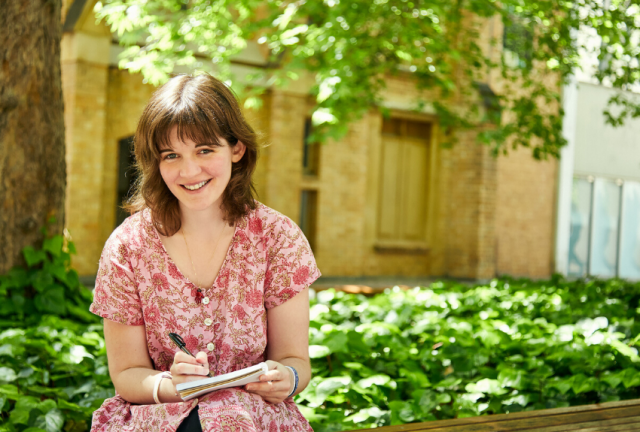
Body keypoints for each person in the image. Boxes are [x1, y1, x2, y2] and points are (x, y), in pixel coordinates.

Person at [89, 73, 320, 432]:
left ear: (237, 149)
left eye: (205, 150)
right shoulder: (127, 246)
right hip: (160, 418)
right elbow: (126, 375)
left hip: (253, 419)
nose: (188, 170)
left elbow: (295, 362)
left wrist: (286, 378)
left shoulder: (279, 238)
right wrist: (169, 384)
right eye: (171, 155)